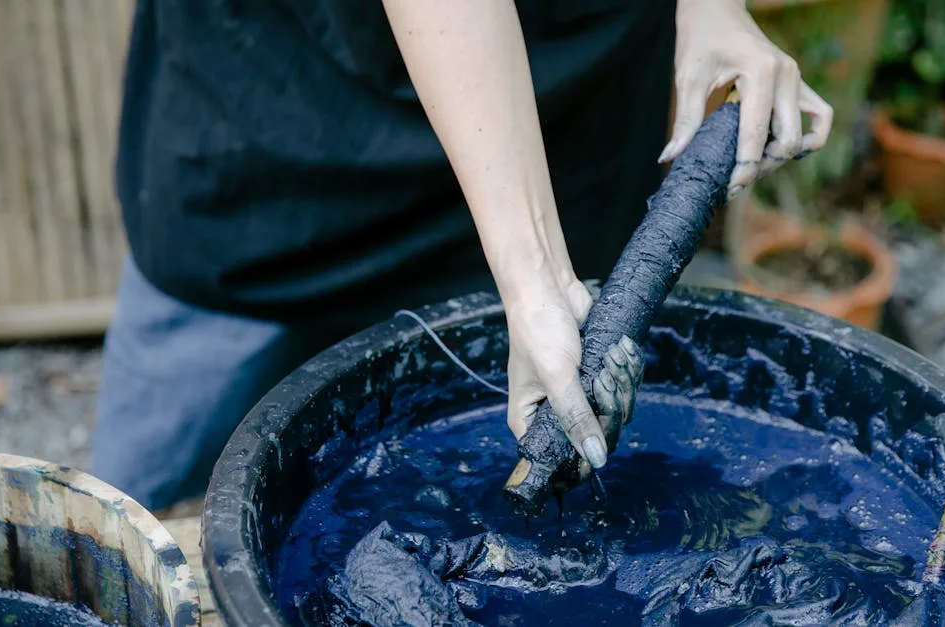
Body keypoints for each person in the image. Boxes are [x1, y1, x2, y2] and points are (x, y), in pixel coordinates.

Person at [91, 0, 833, 511]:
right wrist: (531, 267)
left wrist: (711, 6)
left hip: (570, 109)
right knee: (128, 521)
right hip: (277, 123)